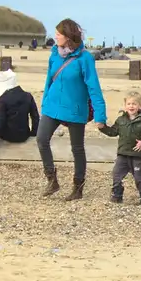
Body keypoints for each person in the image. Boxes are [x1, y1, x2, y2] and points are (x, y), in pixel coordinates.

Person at [38, 18, 107, 201]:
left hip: (75, 109)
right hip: (52, 106)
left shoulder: (85, 58)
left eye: (59, 34)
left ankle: (78, 187)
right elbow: (48, 81)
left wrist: (101, 116)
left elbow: (94, 88)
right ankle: (51, 180)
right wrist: (44, 103)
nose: (55, 36)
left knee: (77, 148)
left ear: (68, 36)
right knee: (41, 139)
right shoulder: (54, 55)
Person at [98, 90, 141, 205]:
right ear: (125, 105)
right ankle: (117, 195)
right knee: (116, 175)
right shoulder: (121, 120)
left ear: (139, 106)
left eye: (134, 104)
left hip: (137, 155)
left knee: (139, 177)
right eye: (129, 104)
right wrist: (102, 127)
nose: (131, 106)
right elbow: (113, 132)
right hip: (123, 154)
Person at [0, 69, 39, 145]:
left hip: (8, 136)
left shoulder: (3, 99)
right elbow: (35, 117)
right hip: (24, 135)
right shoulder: (28, 96)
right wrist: (33, 133)